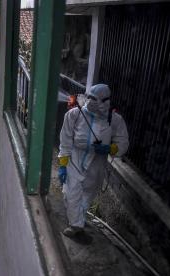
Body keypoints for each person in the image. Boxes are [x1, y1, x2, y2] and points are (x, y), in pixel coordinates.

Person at [58, 84, 129, 237]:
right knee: (70, 194)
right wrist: (63, 165)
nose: (91, 101)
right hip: (75, 160)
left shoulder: (115, 120)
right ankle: (76, 222)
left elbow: (123, 143)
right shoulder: (74, 115)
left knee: (86, 196)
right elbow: (65, 141)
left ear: (106, 101)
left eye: (96, 99)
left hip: (96, 165)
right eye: (89, 97)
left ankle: (77, 224)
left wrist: (110, 149)